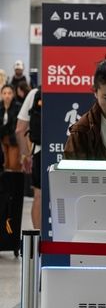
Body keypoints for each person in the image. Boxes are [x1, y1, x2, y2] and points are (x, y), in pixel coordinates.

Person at [0, 84, 23, 252]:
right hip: (2, 141)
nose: (7, 96)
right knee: (4, 165)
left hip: (13, 141)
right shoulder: (1, 108)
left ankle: (10, 189)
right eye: (4, 93)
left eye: (9, 93)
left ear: (13, 94)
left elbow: (14, 128)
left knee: (13, 166)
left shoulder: (17, 107)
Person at [16, 87, 41, 229]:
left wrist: (25, 155)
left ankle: (39, 243)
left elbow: (19, 129)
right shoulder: (82, 85)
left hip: (40, 150)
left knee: (39, 196)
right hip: (72, 152)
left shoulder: (35, 93)